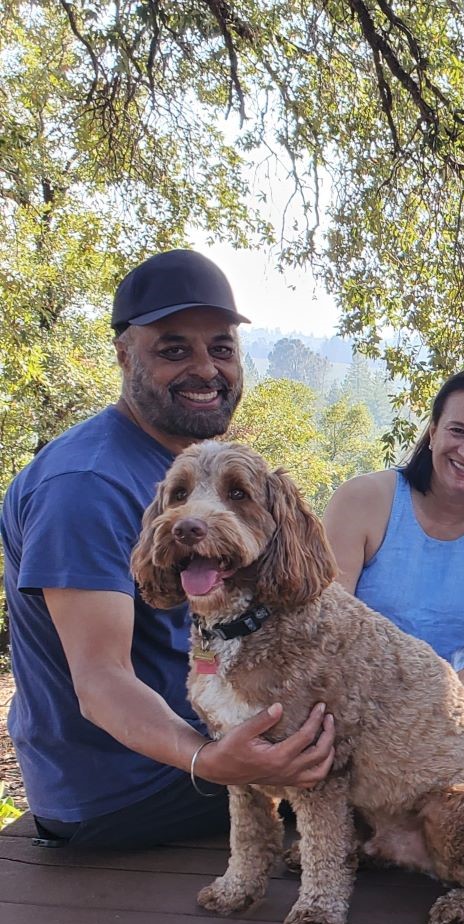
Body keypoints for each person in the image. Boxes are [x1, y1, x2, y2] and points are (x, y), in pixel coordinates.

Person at [1, 249, 335, 850]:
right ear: (125, 355)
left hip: (194, 750)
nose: (205, 369)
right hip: (129, 790)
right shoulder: (87, 485)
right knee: (366, 794)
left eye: (222, 348)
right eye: (174, 349)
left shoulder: (187, 469)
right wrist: (211, 760)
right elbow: (100, 681)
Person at [323, 368, 464, 774]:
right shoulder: (364, 499)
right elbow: (325, 623)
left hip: (459, 694)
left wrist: (433, 694)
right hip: (364, 694)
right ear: (433, 434)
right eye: (457, 431)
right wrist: (385, 702)